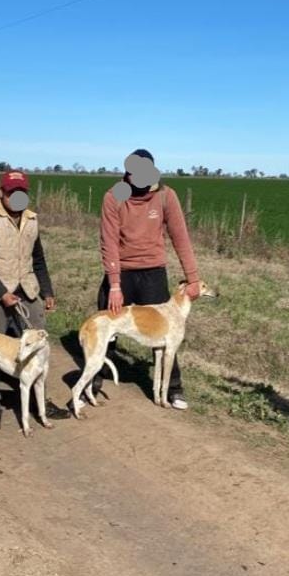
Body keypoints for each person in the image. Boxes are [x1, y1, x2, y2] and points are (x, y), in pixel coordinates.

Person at [97, 148, 203, 409]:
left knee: (168, 331)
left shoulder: (166, 196)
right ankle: (94, 380)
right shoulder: (115, 196)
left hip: (153, 272)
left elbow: (181, 238)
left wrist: (193, 278)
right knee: (106, 327)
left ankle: (173, 389)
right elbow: (108, 241)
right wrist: (114, 284)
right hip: (121, 271)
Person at [0, 170, 55, 431]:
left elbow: (37, 259)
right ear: (1, 193)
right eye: (11, 192)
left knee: (38, 347)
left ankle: (41, 401)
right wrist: (1, 294)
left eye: (21, 193)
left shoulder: (32, 220)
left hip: (27, 291)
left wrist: (47, 291)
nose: (16, 197)